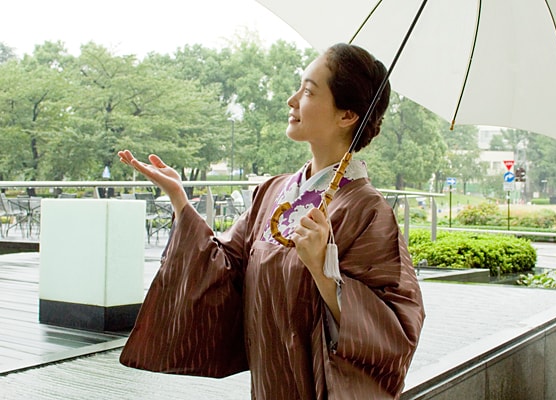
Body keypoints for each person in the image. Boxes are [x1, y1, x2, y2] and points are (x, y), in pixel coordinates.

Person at [118, 43, 425, 400]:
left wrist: (324, 273)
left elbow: (394, 332)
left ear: (347, 115)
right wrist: (180, 200)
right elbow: (223, 269)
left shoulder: (367, 210)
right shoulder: (272, 192)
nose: (292, 100)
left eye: (308, 91)